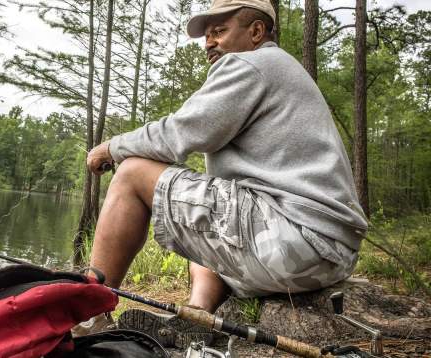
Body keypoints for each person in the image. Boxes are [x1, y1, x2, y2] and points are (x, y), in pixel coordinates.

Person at [83, 0, 368, 347]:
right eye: (206, 35)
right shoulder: (278, 67)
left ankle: (87, 316)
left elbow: (179, 134)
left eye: (219, 31)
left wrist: (111, 147)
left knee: (131, 174)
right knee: (209, 208)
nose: (208, 43)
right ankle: (196, 316)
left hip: (297, 238)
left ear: (256, 32)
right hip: (328, 253)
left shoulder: (251, 63)